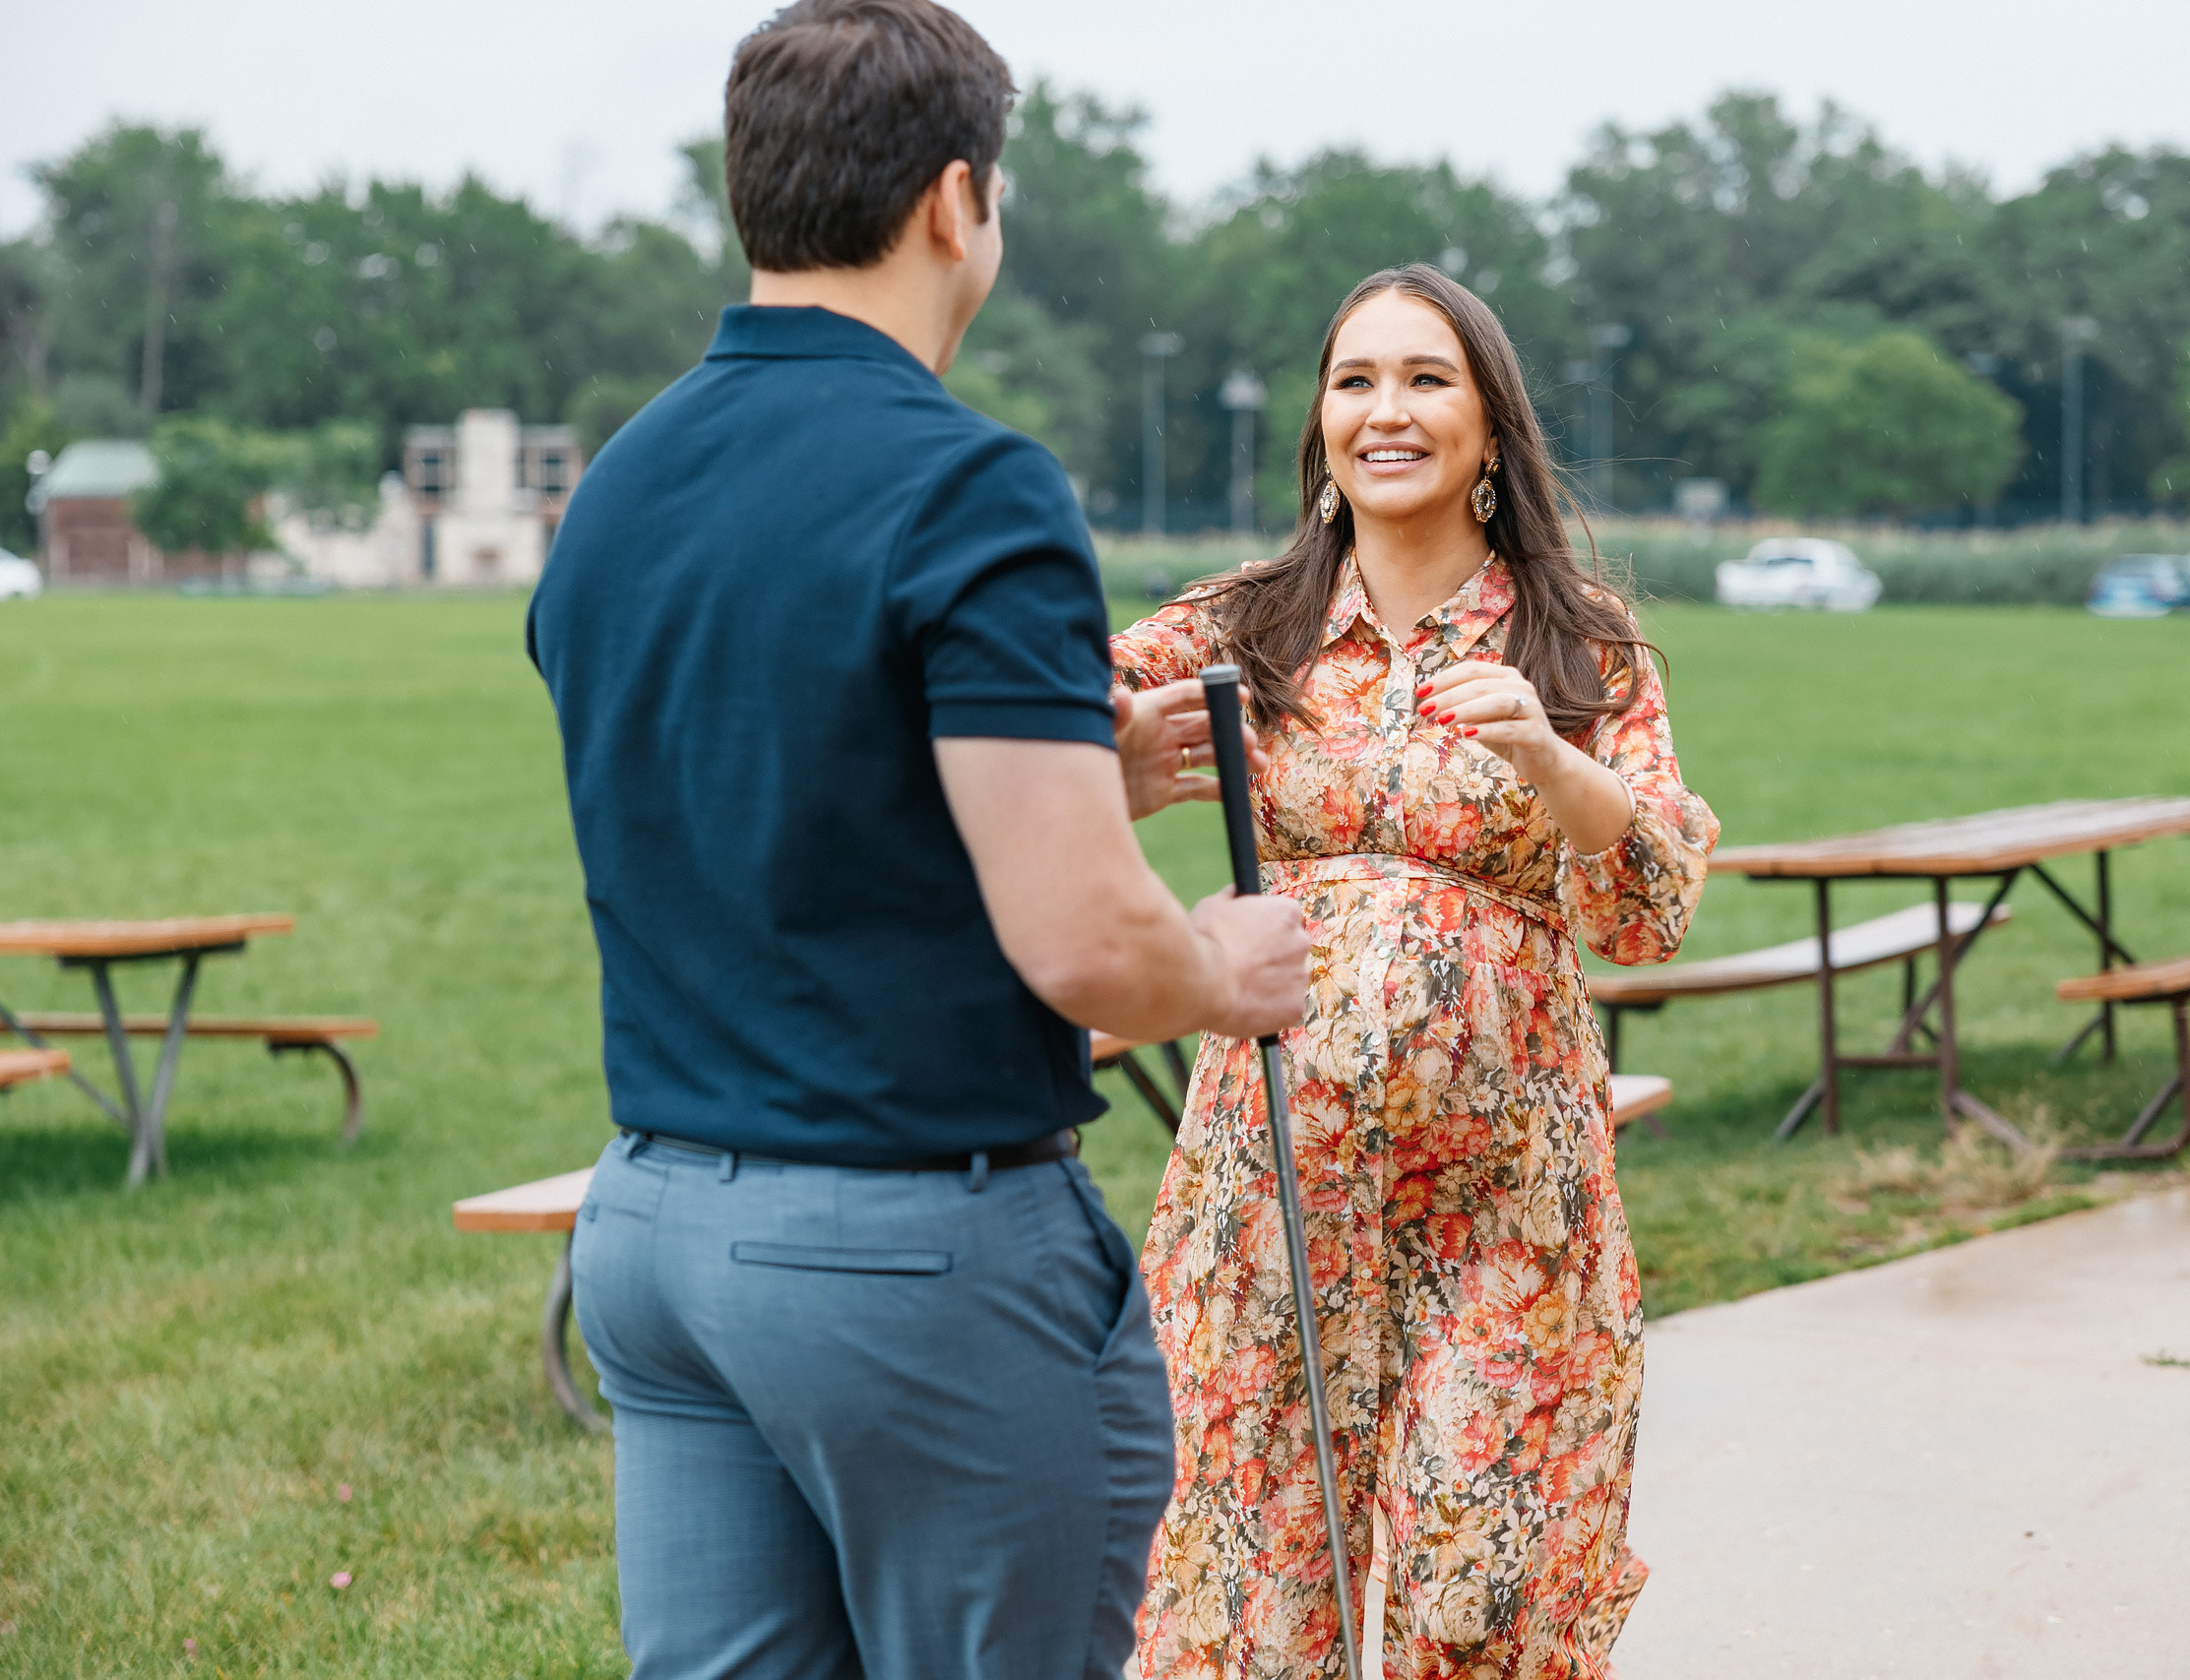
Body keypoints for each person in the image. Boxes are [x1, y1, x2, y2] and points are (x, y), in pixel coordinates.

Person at [523, 4, 1309, 1676]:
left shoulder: (620, 483)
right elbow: (1091, 947)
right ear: (958, 200)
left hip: (654, 1234)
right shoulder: (970, 487)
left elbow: (756, 793)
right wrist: (1223, 971)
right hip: (903, 1248)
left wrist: (1070, 773)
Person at [1110, 264, 1721, 1677]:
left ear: (1491, 428)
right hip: (1262, 1206)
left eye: (1426, 378)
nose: (1387, 410)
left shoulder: (1581, 645)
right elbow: (1039, 691)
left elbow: (1650, 911)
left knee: (1486, 1598)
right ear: (1321, 425)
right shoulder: (1241, 629)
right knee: (1248, 1592)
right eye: (1356, 380)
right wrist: (1102, 734)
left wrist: (1553, 761)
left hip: (1509, 1217)